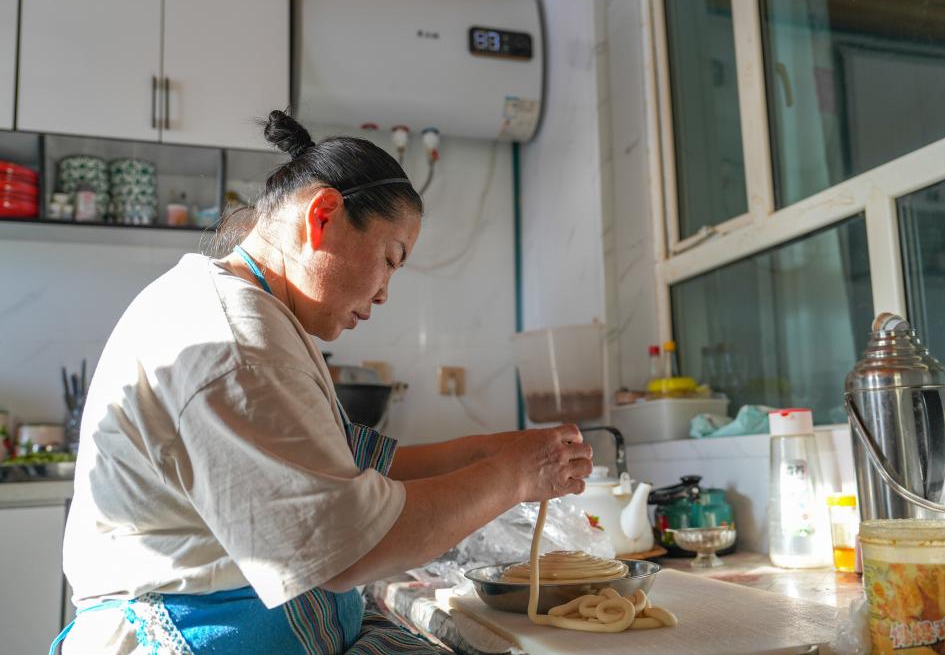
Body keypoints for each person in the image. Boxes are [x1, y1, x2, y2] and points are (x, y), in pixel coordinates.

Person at [54, 110, 593, 654]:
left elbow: (350, 469)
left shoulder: (252, 312)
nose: (384, 293)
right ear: (324, 214)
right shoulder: (236, 341)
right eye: (390, 259)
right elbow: (349, 549)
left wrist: (497, 451)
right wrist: (514, 476)